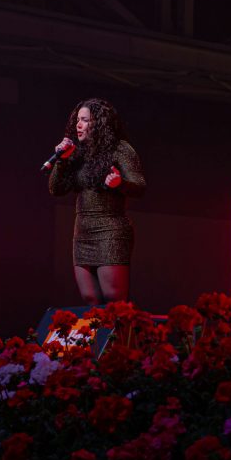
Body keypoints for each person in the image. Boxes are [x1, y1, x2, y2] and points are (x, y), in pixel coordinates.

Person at [48, 98, 146, 305]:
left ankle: (122, 328)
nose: (78, 125)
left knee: (113, 299)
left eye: (85, 120)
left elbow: (139, 186)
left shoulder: (120, 149)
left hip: (110, 230)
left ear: (99, 123)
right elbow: (56, 189)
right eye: (77, 120)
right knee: (90, 298)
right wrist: (62, 160)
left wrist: (120, 183)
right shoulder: (77, 153)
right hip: (82, 232)